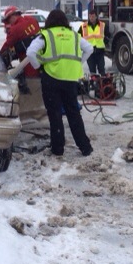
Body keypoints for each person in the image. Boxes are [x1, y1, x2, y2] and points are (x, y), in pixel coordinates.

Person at [26, 9, 94, 157]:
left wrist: (38, 67)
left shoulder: (45, 35)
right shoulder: (74, 35)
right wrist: (78, 63)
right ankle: (85, 147)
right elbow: (89, 48)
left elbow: (30, 52)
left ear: (49, 21)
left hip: (51, 79)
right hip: (70, 80)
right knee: (73, 113)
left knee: (55, 114)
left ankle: (58, 149)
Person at [0, 6, 41, 93]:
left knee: (32, 88)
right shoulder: (31, 20)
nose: (8, 23)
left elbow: (6, 47)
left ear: (13, 16)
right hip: (43, 60)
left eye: (7, 20)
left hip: (29, 65)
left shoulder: (15, 29)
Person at [80, 12, 109, 77]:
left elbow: (107, 35)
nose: (91, 18)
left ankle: (103, 84)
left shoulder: (102, 25)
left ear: (96, 17)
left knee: (102, 70)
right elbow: (79, 37)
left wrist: (105, 42)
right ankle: (94, 84)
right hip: (89, 52)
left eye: (93, 16)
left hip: (99, 51)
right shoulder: (84, 26)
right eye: (90, 16)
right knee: (92, 71)